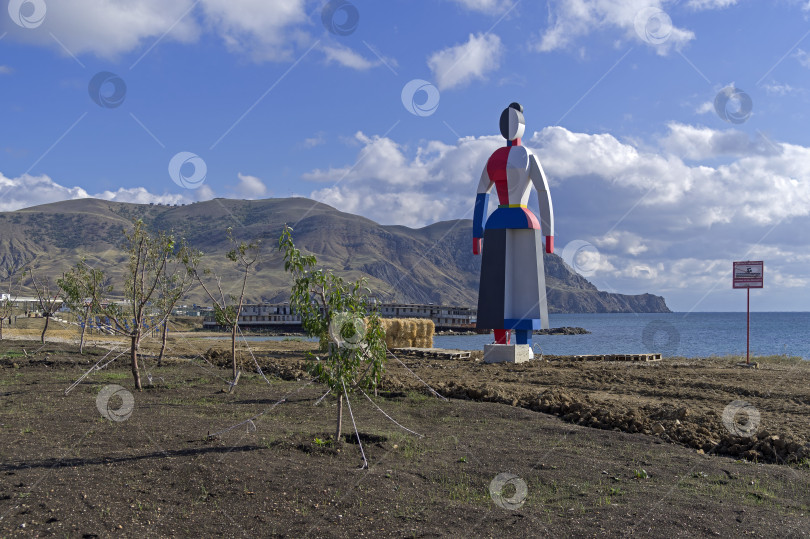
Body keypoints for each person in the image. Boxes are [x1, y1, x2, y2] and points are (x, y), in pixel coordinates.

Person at [473, 102, 554, 345]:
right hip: (506, 221)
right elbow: (482, 194)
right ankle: (501, 341)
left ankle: (522, 343)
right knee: (497, 288)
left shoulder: (526, 156)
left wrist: (549, 237)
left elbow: (542, 192)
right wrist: (477, 234)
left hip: (517, 220)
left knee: (526, 290)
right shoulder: (497, 158)